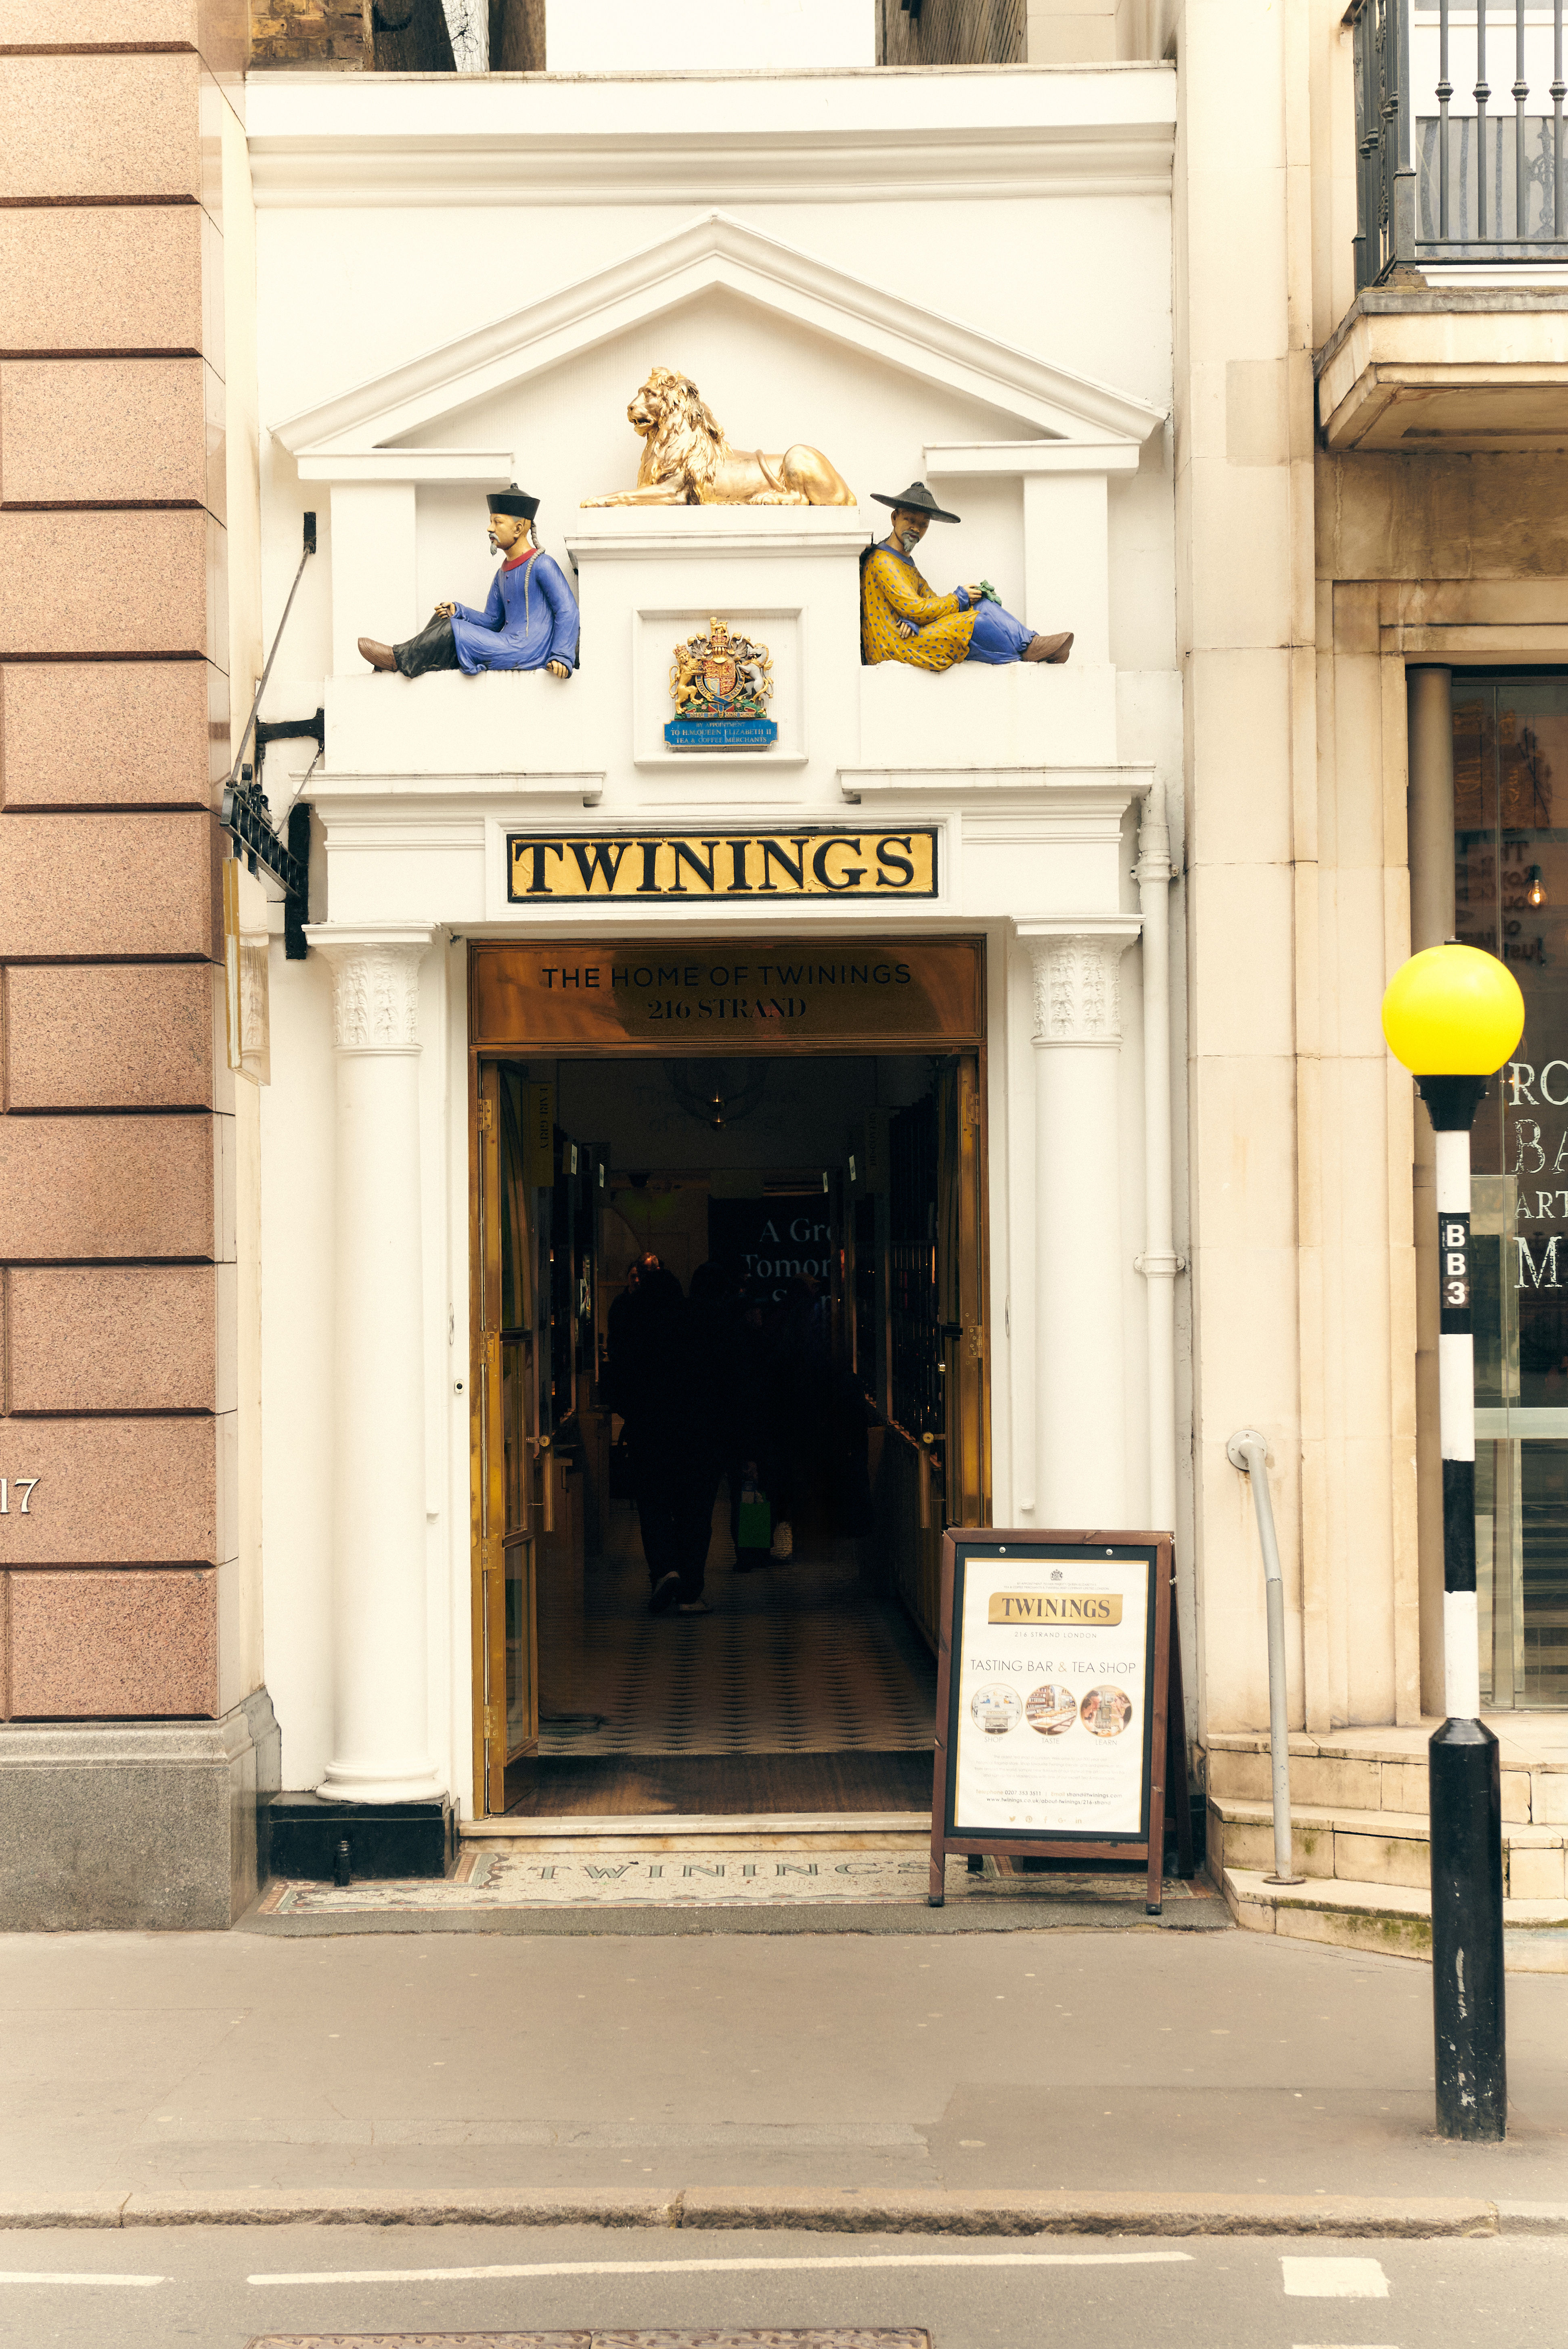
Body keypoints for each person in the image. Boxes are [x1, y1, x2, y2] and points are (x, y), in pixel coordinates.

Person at [357, 483, 579, 679]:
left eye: (497, 522)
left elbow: (568, 611)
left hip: (527, 649)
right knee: (446, 617)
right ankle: (409, 662)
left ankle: (398, 659)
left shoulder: (542, 564)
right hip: (507, 642)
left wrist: (562, 656)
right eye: (491, 522)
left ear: (518, 529)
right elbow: (493, 621)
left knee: (453, 629)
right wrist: (459, 611)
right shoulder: (502, 574)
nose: (490, 528)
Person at [859, 480, 1072, 672]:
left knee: (982, 604)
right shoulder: (883, 561)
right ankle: (1024, 657)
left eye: (924, 524)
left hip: (911, 633)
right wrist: (957, 599)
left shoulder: (906, 563)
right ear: (895, 517)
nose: (916, 528)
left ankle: (1032, 644)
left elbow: (927, 602)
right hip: (894, 645)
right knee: (975, 623)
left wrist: (915, 619)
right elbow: (916, 608)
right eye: (909, 519)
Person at [607, 1264, 714, 1615]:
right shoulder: (695, 1322)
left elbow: (618, 1379)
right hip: (696, 1431)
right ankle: (690, 1590)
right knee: (693, 1511)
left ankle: (664, 1571)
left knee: (653, 1506)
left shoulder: (632, 1323)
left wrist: (632, 1412)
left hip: (648, 1431)